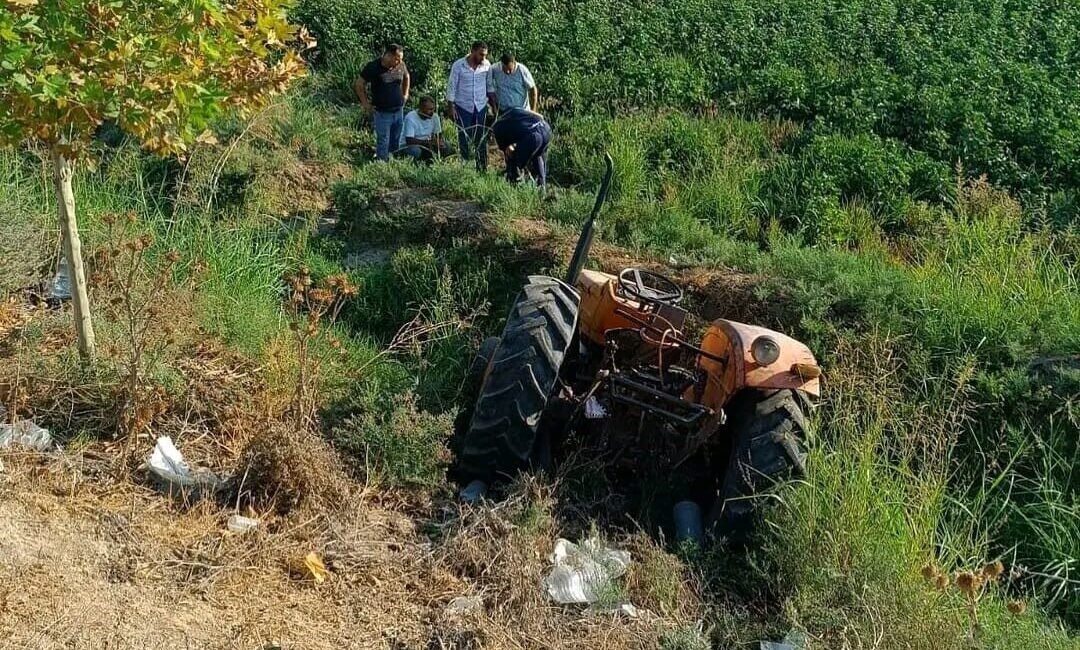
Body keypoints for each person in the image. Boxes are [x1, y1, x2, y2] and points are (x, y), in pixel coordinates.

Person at [355, 44, 410, 162]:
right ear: (388, 56)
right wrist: (365, 103)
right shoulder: (373, 67)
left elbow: (407, 77)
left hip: (398, 109)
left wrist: (405, 95)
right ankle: (382, 163)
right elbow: (359, 84)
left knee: (396, 138)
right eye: (397, 58)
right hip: (382, 112)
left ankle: (393, 160)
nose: (399, 61)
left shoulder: (401, 65)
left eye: (400, 58)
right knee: (383, 140)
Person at [446, 41, 491, 170]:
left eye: (485, 55)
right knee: (464, 138)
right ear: (472, 51)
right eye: (481, 55)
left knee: (481, 138)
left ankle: (482, 169)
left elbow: (489, 85)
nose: (483, 58)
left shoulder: (486, 65)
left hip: (480, 106)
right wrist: (451, 106)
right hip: (463, 106)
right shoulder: (459, 65)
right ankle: (465, 168)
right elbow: (452, 86)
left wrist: (492, 104)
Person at [491, 107, 552, 189]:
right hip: (546, 130)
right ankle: (541, 189)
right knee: (538, 155)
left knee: (514, 162)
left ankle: (515, 188)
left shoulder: (497, 129)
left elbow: (508, 152)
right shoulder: (515, 111)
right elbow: (540, 116)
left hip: (534, 137)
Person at [400, 96, 452, 162]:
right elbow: (409, 141)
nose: (432, 112)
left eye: (433, 109)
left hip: (427, 143)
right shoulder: (410, 117)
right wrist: (428, 143)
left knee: (447, 146)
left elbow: (438, 135)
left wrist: (439, 142)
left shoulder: (435, 117)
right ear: (421, 108)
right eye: (429, 109)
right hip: (409, 146)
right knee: (416, 151)